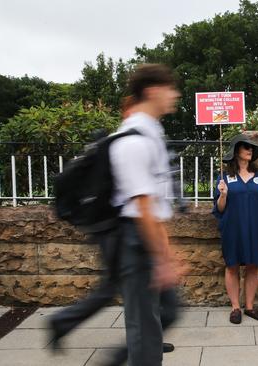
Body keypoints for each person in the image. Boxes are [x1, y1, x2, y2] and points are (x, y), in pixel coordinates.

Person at [47, 93, 176, 360]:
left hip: (120, 234)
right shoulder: (127, 141)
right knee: (132, 297)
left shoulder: (130, 138)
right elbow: (139, 200)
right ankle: (125, 353)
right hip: (122, 234)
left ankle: (137, 346)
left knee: (131, 297)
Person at [109, 64, 186, 366]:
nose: (175, 95)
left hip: (145, 237)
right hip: (134, 239)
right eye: (171, 88)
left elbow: (154, 204)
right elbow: (142, 207)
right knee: (144, 328)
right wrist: (162, 259)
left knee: (164, 314)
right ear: (153, 91)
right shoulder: (133, 138)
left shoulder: (151, 132)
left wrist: (166, 253)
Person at [213, 134, 258, 324]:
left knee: (253, 265)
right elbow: (219, 209)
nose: (250, 150)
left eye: (252, 148)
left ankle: (249, 306)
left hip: (256, 228)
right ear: (236, 152)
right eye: (246, 147)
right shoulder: (225, 177)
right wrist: (223, 195)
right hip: (233, 228)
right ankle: (235, 307)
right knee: (232, 265)